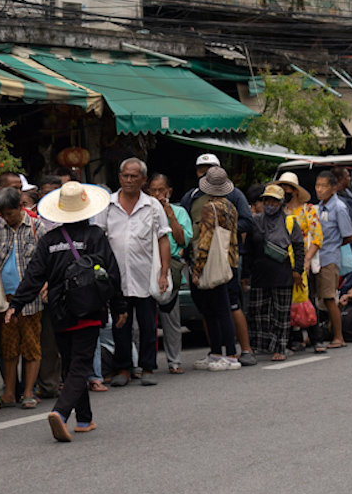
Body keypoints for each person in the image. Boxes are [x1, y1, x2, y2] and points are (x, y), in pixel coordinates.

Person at [7, 182, 124, 442]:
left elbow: (33, 276)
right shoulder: (95, 236)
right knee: (81, 366)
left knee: (72, 365)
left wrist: (16, 304)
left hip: (59, 312)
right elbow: (112, 275)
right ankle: (60, 413)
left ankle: (84, 419)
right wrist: (120, 308)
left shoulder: (49, 241)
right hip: (89, 310)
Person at [98, 158, 169, 386]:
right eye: (125, 176)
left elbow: (163, 239)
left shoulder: (152, 205)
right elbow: (98, 239)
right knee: (120, 324)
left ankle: (147, 368)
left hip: (145, 275)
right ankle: (123, 369)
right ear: (119, 178)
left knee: (148, 325)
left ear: (143, 180)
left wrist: (163, 273)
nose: (129, 180)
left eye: (134, 176)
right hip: (115, 277)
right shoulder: (107, 205)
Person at [0, 187, 44, 407]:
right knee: (8, 348)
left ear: (21, 207)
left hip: (30, 299)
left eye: (10, 213)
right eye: (3, 213)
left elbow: (46, 262)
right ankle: (9, 392)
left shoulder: (37, 227)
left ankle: (29, 392)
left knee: (31, 346)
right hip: (3, 299)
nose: (6, 218)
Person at [186, 165, 243, 370]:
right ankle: (217, 352)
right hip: (228, 262)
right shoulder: (231, 206)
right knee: (216, 309)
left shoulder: (209, 208)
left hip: (211, 264)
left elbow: (206, 241)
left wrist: (197, 268)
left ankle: (229, 355)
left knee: (218, 310)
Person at [244, 183, 304, 362]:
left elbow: (299, 248)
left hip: (282, 273)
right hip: (260, 273)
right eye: (267, 201)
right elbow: (248, 250)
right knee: (257, 312)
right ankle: (259, 345)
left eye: (274, 202)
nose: (270, 205)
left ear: (281, 203)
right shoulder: (255, 221)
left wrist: (298, 271)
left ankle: (280, 347)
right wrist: (245, 274)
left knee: (281, 313)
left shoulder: (290, 222)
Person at [277, 173, 325, 355]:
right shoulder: (280, 212)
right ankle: (293, 339)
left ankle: (316, 339)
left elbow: (317, 236)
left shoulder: (307, 210)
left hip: (303, 260)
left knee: (307, 300)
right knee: (287, 302)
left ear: (294, 191)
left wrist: (305, 260)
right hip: (284, 261)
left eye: (286, 189)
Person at [149, 174, 192, 374]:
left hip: (172, 266)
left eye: (161, 190)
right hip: (148, 266)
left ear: (169, 192)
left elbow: (182, 240)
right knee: (143, 320)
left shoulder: (179, 211)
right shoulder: (145, 210)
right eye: (153, 191)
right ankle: (142, 363)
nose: (157, 195)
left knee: (171, 317)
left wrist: (170, 215)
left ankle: (174, 361)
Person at [311, 172, 352, 351]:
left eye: (324, 186)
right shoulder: (318, 207)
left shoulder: (339, 208)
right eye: (317, 185)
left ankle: (338, 336)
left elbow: (348, 236)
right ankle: (318, 334)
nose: (319, 190)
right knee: (316, 297)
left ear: (333, 188)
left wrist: (333, 244)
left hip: (329, 257)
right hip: (315, 257)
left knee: (329, 298)